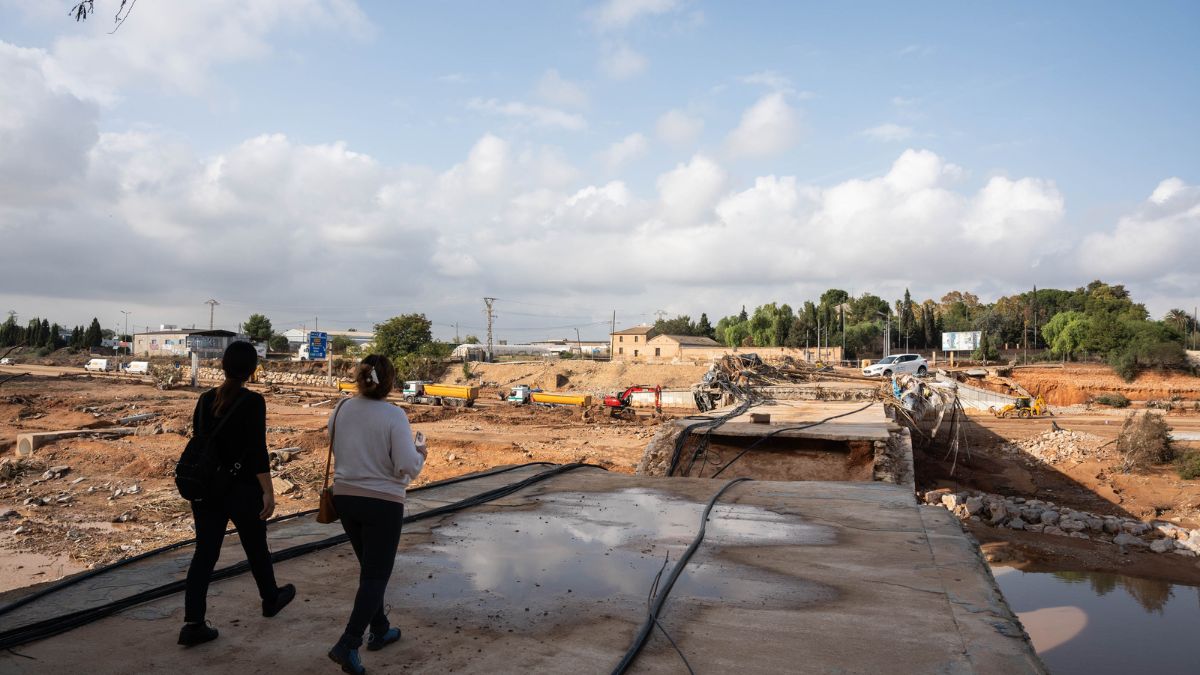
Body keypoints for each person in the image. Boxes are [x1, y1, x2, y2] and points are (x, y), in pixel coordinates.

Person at [179, 341, 295, 646]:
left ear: (222, 365)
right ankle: (270, 599)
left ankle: (192, 624)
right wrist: (268, 492)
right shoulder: (252, 402)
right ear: (252, 371)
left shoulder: (204, 400)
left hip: (206, 490)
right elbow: (257, 451)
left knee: (204, 555)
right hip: (242, 489)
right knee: (256, 547)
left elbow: (200, 441)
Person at [327, 354, 426, 674]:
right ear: (389, 382)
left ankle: (380, 628)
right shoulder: (393, 415)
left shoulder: (340, 409)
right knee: (375, 576)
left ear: (359, 378)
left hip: (345, 499)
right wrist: (420, 452)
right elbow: (406, 467)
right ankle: (349, 642)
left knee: (369, 570)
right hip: (382, 503)